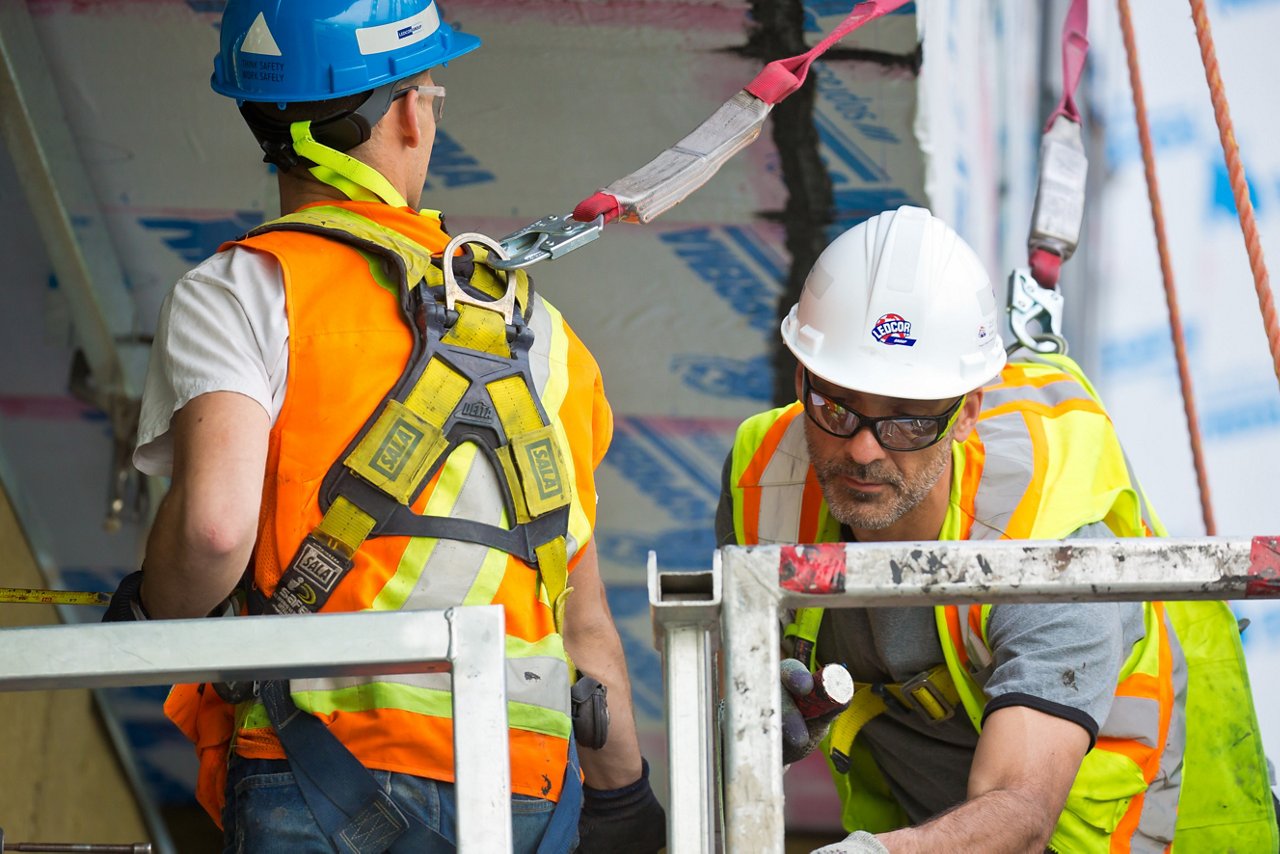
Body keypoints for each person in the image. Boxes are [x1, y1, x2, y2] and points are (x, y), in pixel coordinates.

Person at [103, 2, 665, 851]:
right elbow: (582, 623)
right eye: (433, 96)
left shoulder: (242, 291)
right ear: (408, 109)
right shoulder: (545, 338)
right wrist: (623, 798)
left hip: (319, 770)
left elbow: (215, 530)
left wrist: (149, 610)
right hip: (526, 783)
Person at [716, 205, 1278, 853]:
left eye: (906, 422)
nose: (865, 450)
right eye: (836, 407)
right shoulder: (765, 480)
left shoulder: (1047, 544)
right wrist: (751, 717)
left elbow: (1020, 809)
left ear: (967, 413)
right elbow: (736, 694)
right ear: (801, 379)